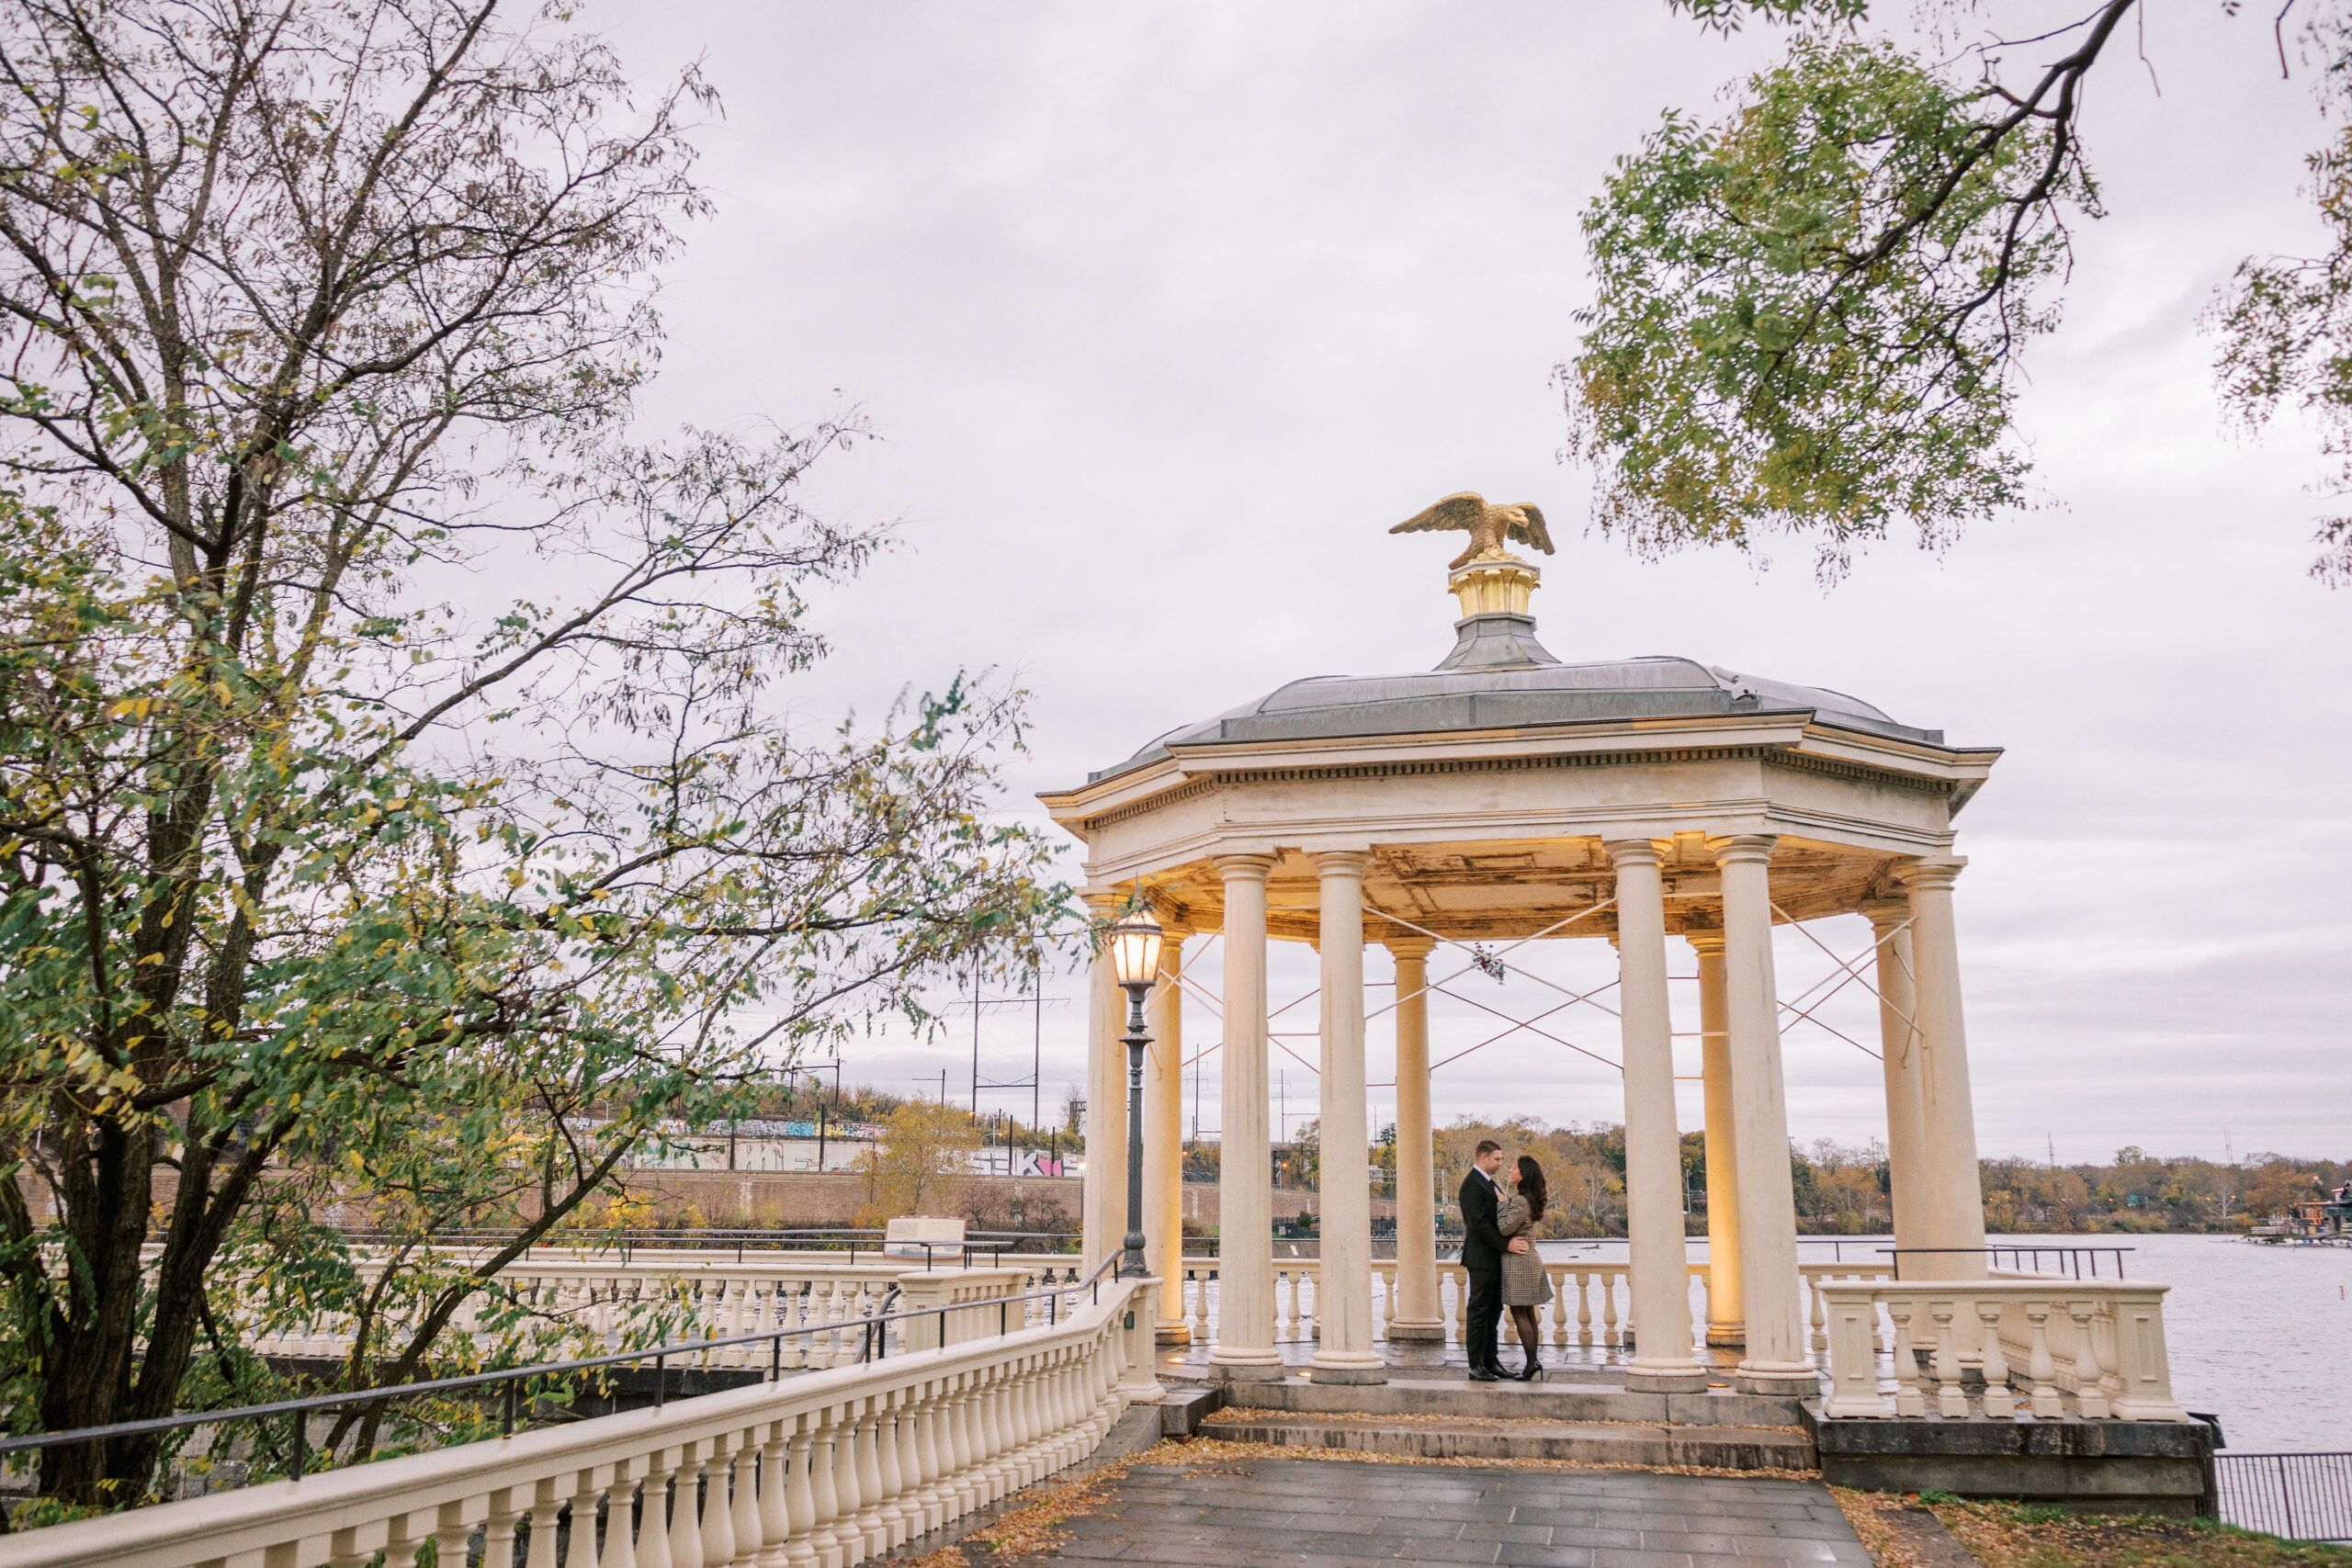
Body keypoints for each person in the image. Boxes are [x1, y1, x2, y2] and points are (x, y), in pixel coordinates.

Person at [1456, 1139, 1527, 1382]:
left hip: (1493, 1259)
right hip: (1481, 1260)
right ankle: (1475, 1366)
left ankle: (1491, 1361)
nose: (1500, 1163)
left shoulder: (1487, 1182)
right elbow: (1478, 1226)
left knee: (1493, 1313)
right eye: (1497, 1159)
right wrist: (1506, 1244)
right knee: (1479, 1313)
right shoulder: (1471, 1185)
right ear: (1483, 1157)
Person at [1496, 1155, 1555, 1381]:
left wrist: (1501, 1205)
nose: (1510, 1170)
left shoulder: (1520, 1202)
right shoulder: (1530, 1199)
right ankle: (1532, 1361)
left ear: (1523, 1175)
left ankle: (1531, 1362)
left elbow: (1504, 1228)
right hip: (1529, 1259)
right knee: (1528, 1312)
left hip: (1519, 1262)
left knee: (1520, 1312)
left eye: (1514, 1168)